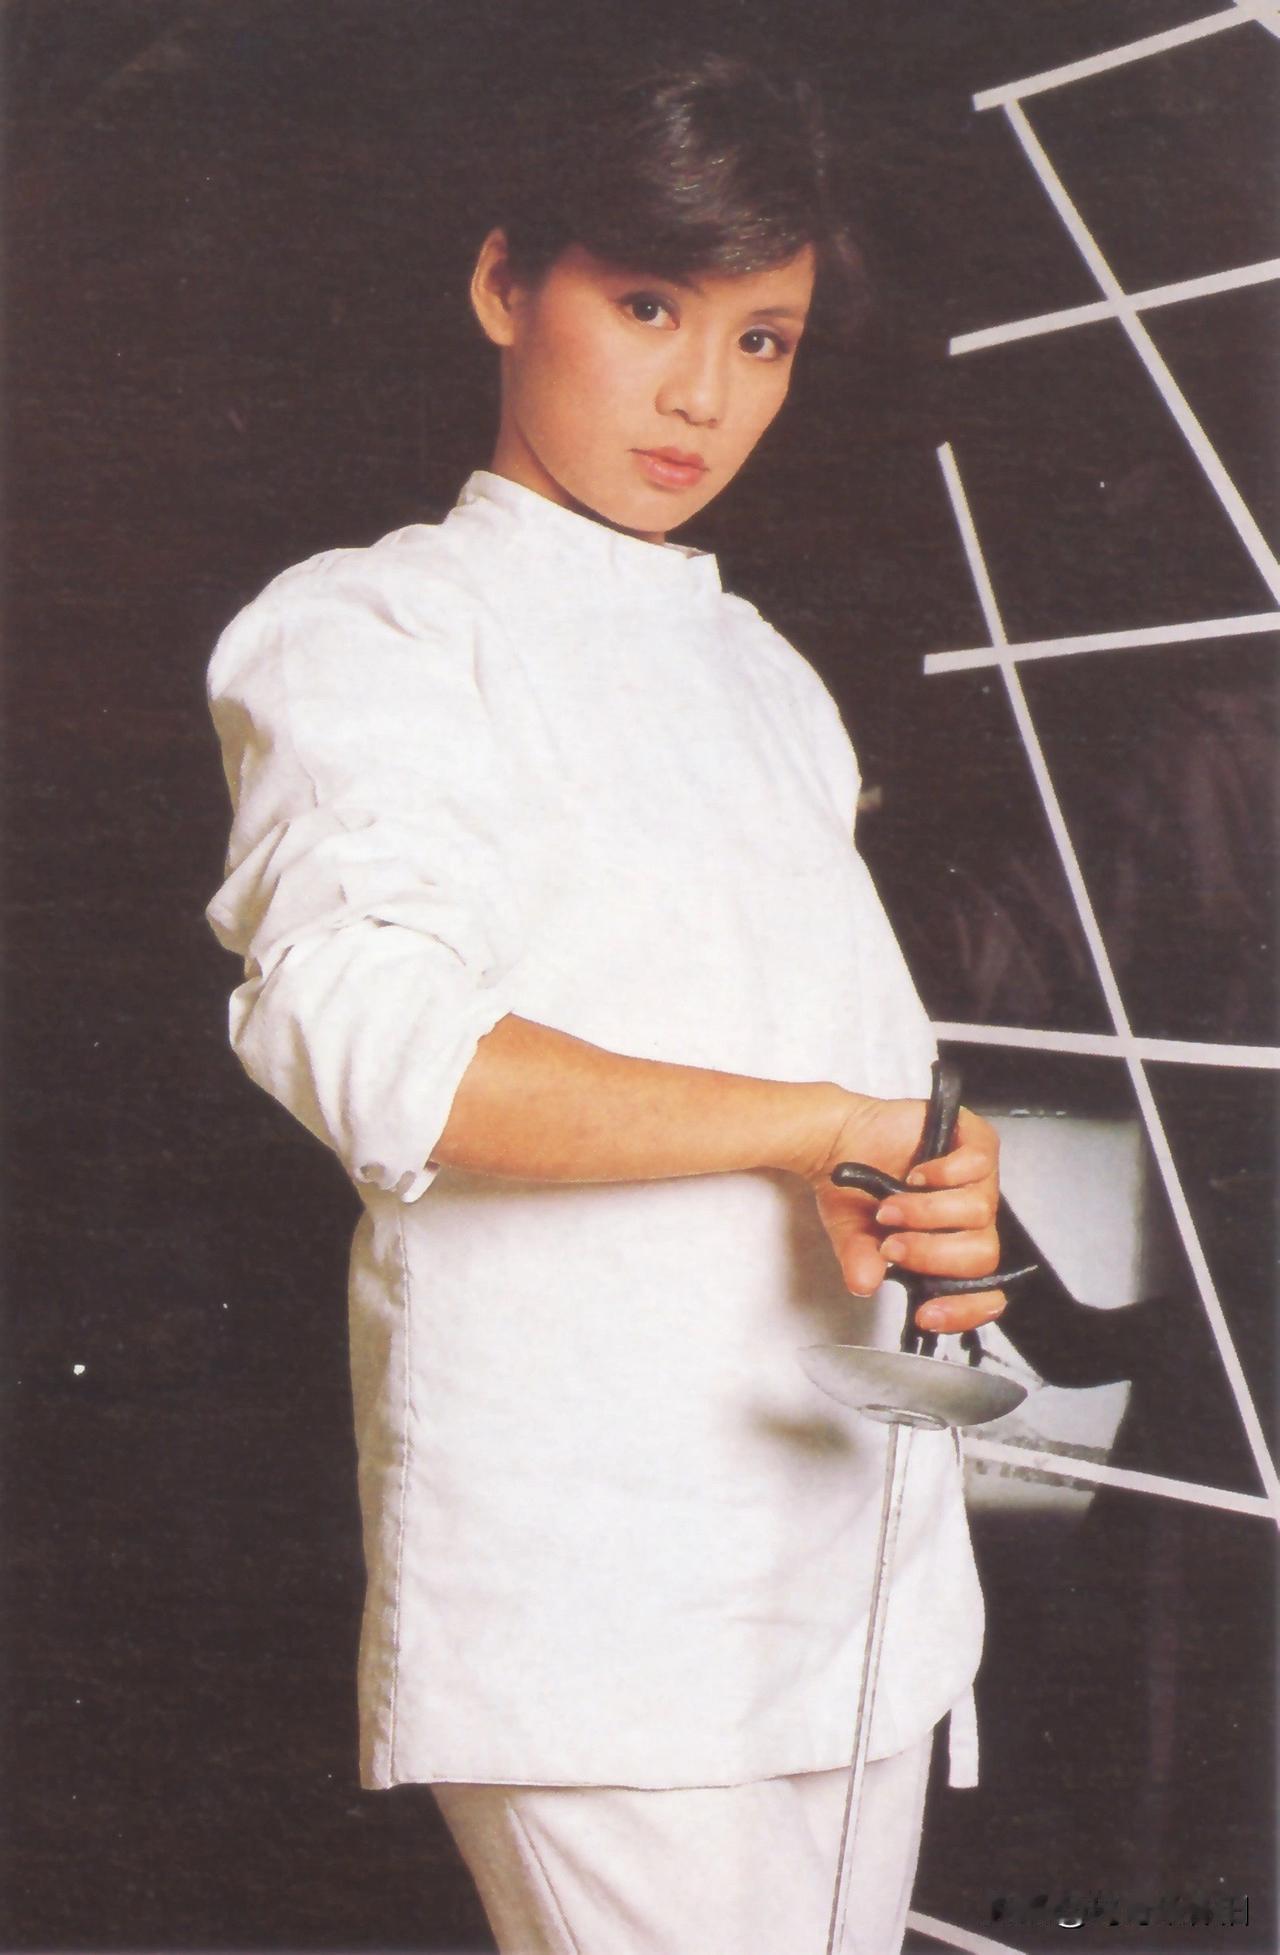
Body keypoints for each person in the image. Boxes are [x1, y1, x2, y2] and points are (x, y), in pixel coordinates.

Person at [205, 43, 1007, 1955]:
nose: (701, 396)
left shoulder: (769, 679)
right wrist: (823, 1124)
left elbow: (860, 1075)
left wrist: (935, 1184)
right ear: (508, 284)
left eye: (762, 339)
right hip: (598, 1598)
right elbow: (385, 1053)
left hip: (855, 1560)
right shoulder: (375, 626)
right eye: (650, 306)